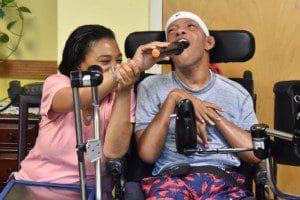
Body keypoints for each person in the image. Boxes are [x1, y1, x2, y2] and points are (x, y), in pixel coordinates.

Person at [134, 11, 261, 199]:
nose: (179, 33)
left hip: (222, 180)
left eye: (190, 27)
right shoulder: (150, 87)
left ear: (208, 43)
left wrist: (211, 115)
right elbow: (147, 154)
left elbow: (255, 154)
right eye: (172, 31)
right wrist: (174, 98)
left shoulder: (237, 93)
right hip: (170, 180)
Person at [12, 24, 141, 199]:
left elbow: (114, 152)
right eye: (105, 61)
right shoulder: (57, 83)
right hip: (36, 185)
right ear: (79, 65)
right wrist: (119, 73)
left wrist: (125, 91)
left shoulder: (122, 94)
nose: (115, 67)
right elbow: (80, 99)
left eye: (119, 61)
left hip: (89, 191)